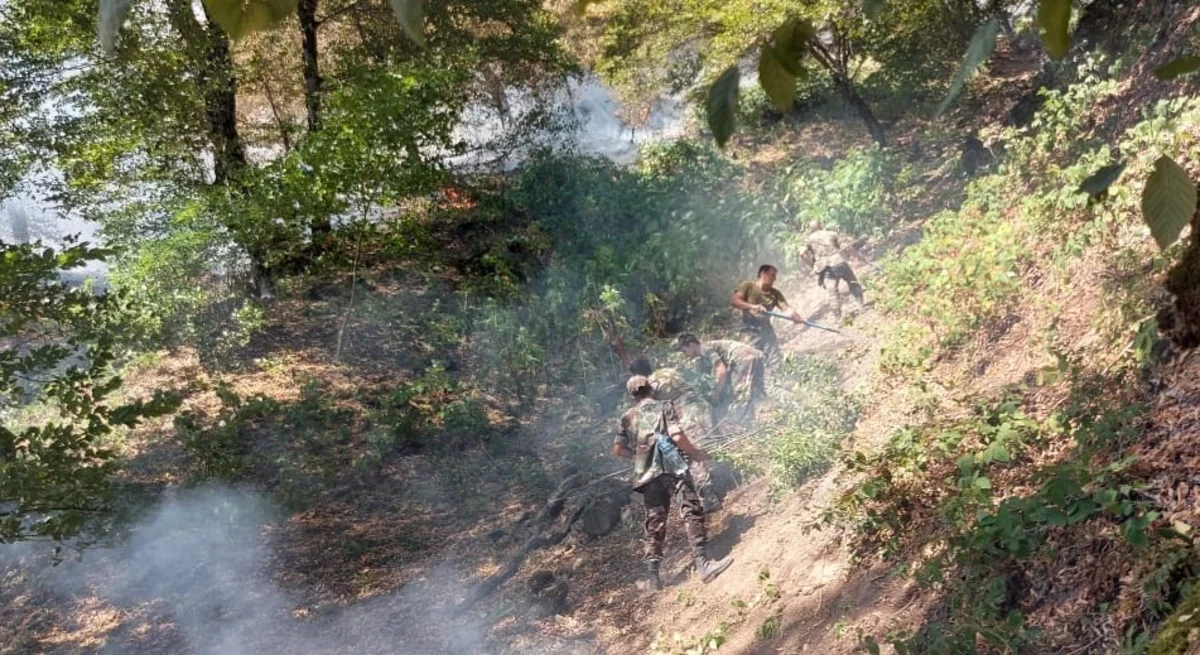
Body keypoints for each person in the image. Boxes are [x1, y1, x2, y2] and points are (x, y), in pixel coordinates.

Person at [613, 375, 733, 590]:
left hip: (646, 475)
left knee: (654, 520)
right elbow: (676, 436)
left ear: (632, 396)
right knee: (690, 509)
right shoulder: (664, 406)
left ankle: (653, 577)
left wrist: (640, 456)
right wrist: (695, 453)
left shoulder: (627, 418)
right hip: (672, 467)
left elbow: (618, 450)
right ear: (651, 390)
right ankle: (703, 563)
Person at [629, 356, 720, 511]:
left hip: (686, 413)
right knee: (711, 441)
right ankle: (723, 475)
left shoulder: (648, 386)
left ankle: (709, 497)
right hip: (701, 404)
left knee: (691, 451)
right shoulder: (666, 372)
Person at [675, 334, 765, 423]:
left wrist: (716, 394)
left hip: (743, 357)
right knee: (756, 387)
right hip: (752, 355)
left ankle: (744, 421)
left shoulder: (704, 349)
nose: (685, 355)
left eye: (684, 351)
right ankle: (761, 413)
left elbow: (722, 372)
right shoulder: (703, 355)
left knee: (739, 392)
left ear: (691, 345)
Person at [730, 265, 804, 364]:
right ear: (763, 274)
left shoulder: (775, 294)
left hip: (767, 332)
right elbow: (734, 301)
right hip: (749, 331)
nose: (775, 279)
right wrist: (752, 306)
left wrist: (796, 316)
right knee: (746, 361)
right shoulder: (748, 286)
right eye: (772, 275)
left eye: (775, 276)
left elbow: (786, 308)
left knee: (775, 361)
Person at [801, 224, 865, 309]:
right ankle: (860, 305)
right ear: (821, 225)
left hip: (824, 266)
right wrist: (856, 256)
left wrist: (812, 265)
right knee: (852, 282)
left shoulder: (809, 240)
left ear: (811, 229)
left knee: (832, 292)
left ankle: (837, 315)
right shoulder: (832, 234)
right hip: (838, 261)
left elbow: (802, 253)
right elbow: (845, 246)